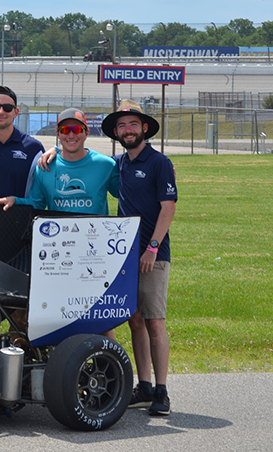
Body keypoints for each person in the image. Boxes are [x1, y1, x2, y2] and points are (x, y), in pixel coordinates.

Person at [103, 99, 177, 417]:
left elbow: (168, 207)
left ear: (144, 128)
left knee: (155, 321)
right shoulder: (119, 163)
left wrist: (153, 246)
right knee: (134, 320)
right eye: (121, 126)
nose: (127, 130)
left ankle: (162, 391)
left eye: (133, 124)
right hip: (126, 256)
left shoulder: (159, 162)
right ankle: (143, 387)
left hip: (153, 255)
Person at [0, 108, 118, 214]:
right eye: (65, 130)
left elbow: (124, 195)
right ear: (58, 133)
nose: (71, 135)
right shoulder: (45, 167)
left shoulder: (105, 165)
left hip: (95, 238)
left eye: (77, 130)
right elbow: (37, 203)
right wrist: (14, 200)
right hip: (59, 239)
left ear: (86, 132)